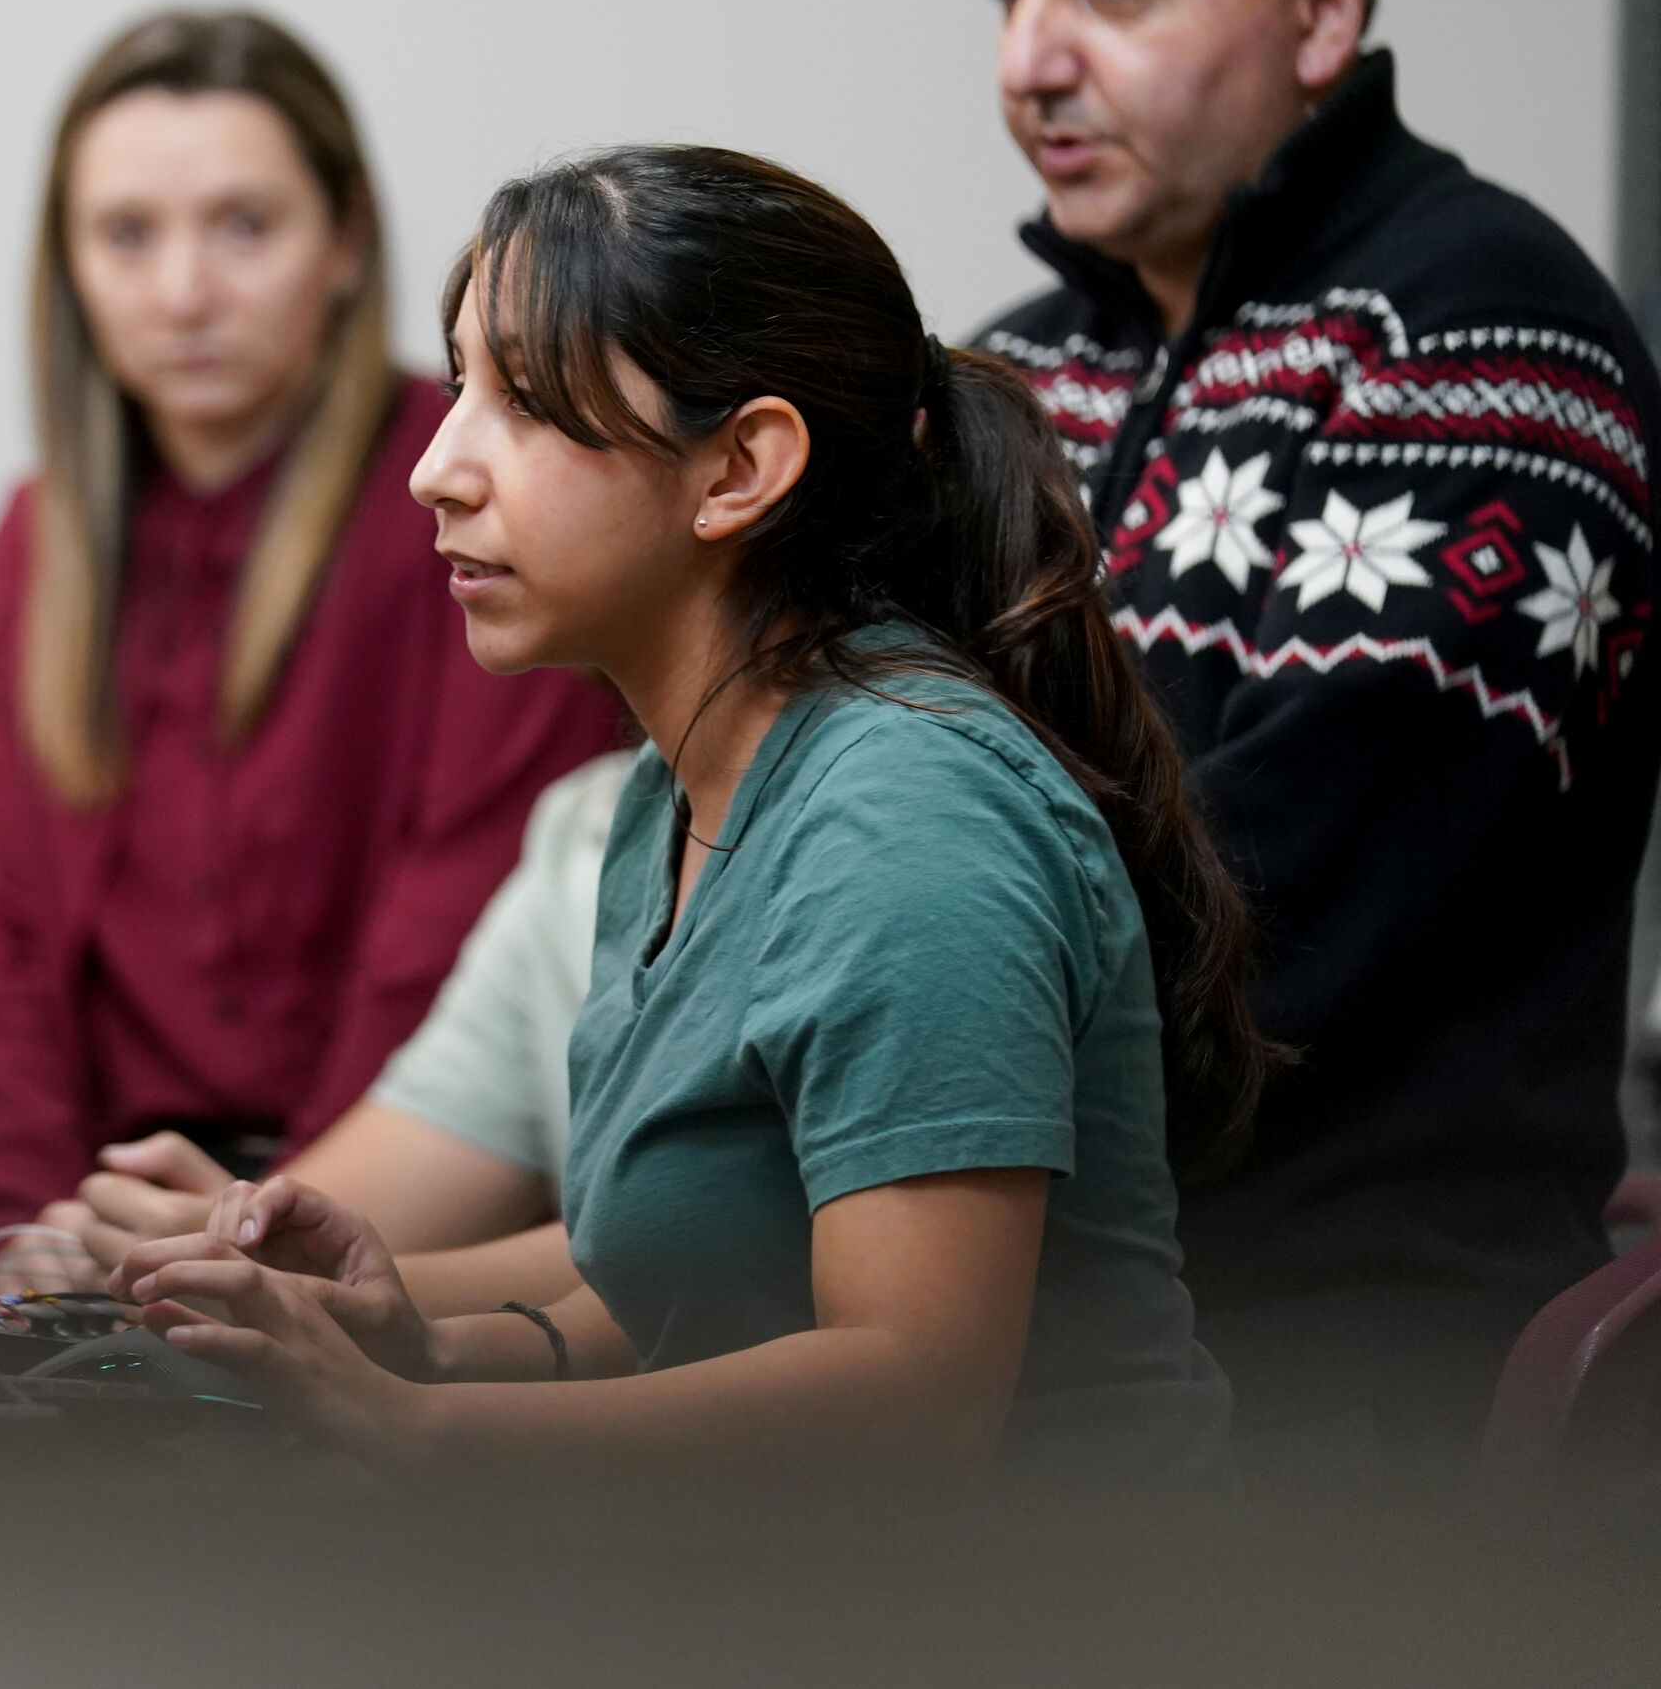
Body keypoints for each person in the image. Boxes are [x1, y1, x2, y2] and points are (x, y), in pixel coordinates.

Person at [113, 146, 1274, 1485]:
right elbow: (706, 1281)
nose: (438, 468)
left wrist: (416, 1425)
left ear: (739, 470)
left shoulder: (908, 819)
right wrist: (412, 1331)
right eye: (457, 391)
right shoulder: (679, 792)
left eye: (529, 406)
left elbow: (915, 1393)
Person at [971, 0, 1661, 1473]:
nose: (1029, 58)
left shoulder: (1499, 352)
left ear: (1320, 8)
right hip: (998, 1351)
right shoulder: (1004, 383)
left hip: (1326, 1411)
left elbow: (1249, 964)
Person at [0, 10, 624, 1250]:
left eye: (243, 226)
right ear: (66, 264)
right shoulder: (40, 537)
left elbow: (456, 942)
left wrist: (267, 1236)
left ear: (344, 241)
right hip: (103, 1230)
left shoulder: (468, 502)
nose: (182, 293)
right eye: (126, 235)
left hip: (394, 1215)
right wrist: (30, 1242)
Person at [30, 747, 634, 1313]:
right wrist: (200, 1239)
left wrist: (250, 1278)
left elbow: (687, 1264)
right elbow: (420, 1152)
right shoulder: (585, 826)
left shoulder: (684, 850)